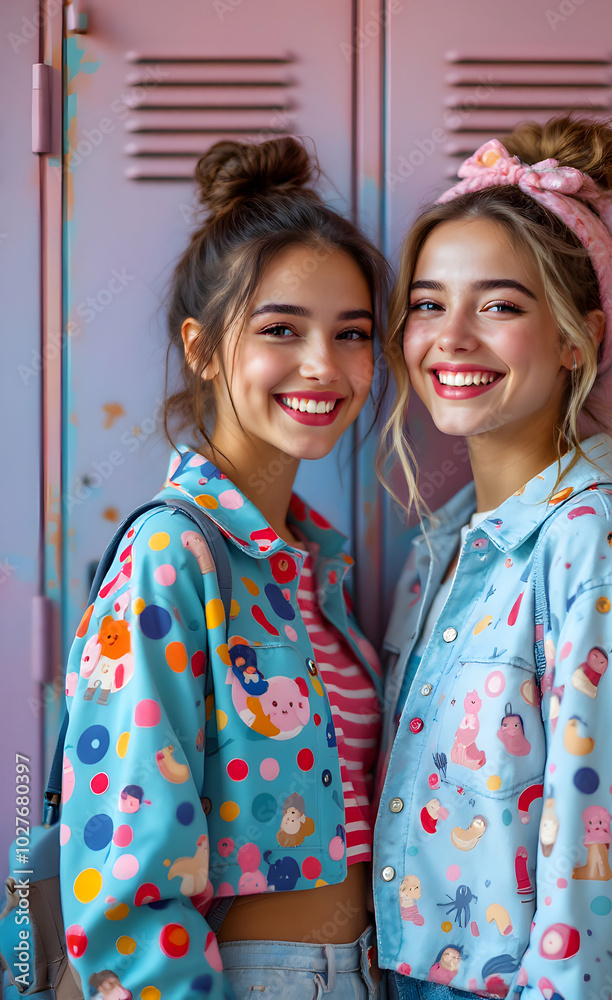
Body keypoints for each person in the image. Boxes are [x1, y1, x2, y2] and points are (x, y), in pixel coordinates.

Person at [373, 115, 612, 999]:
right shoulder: (439, 550)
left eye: (499, 305)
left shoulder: (590, 549)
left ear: (578, 340)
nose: (449, 338)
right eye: (427, 303)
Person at [60, 136, 389, 999]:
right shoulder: (174, 554)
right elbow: (123, 866)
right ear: (203, 348)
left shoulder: (310, 568)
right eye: (282, 329)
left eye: (352, 334)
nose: (324, 365)